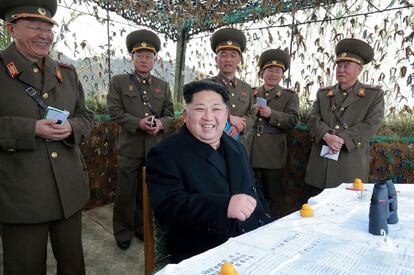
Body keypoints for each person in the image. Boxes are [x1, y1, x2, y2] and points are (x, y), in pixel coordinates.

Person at [0, 1, 94, 274]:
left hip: (68, 191)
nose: (44, 35)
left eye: (48, 28)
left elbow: (85, 116)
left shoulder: (65, 73)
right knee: (25, 267)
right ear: (11, 29)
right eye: (34, 27)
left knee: (73, 265)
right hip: (21, 196)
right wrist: (31, 129)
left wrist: (72, 128)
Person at [146, 80, 273, 263]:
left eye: (216, 109)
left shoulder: (236, 148)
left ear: (226, 114)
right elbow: (168, 206)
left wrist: (265, 222)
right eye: (199, 109)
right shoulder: (166, 153)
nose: (208, 117)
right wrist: (223, 207)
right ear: (185, 114)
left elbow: (254, 189)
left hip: (252, 240)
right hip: (205, 251)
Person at [107, 29, 174, 249]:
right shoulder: (119, 81)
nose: (144, 60)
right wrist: (138, 123)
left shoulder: (162, 86)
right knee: (126, 192)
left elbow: (170, 114)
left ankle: (142, 229)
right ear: (132, 58)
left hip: (155, 147)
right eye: (139, 56)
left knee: (148, 193)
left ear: (155, 60)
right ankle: (123, 232)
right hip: (129, 147)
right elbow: (114, 111)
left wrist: (161, 124)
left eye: (148, 56)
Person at [304, 38, 384, 199]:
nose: (341, 69)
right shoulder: (323, 94)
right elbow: (313, 118)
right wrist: (327, 136)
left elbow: (372, 124)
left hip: (349, 166)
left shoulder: (373, 95)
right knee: (314, 210)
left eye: (347, 66)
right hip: (320, 166)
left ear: (359, 69)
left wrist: (340, 139)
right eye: (339, 65)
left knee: (345, 211)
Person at [251, 49, 299, 218]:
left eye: (278, 71)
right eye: (269, 70)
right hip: (250, 150)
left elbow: (293, 120)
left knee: (272, 195)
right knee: (250, 192)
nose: (273, 74)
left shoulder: (289, 96)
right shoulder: (251, 93)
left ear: (282, 75)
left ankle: (270, 223)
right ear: (262, 73)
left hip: (273, 153)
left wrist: (272, 114)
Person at [209, 27, 255, 151]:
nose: (228, 59)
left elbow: (252, 114)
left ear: (239, 60)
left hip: (239, 145)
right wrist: (229, 118)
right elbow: (200, 112)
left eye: (233, 55)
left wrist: (240, 126)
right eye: (223, 55)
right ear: (216, 59)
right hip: (212, 145)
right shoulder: (206, 85)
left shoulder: (246, 87)